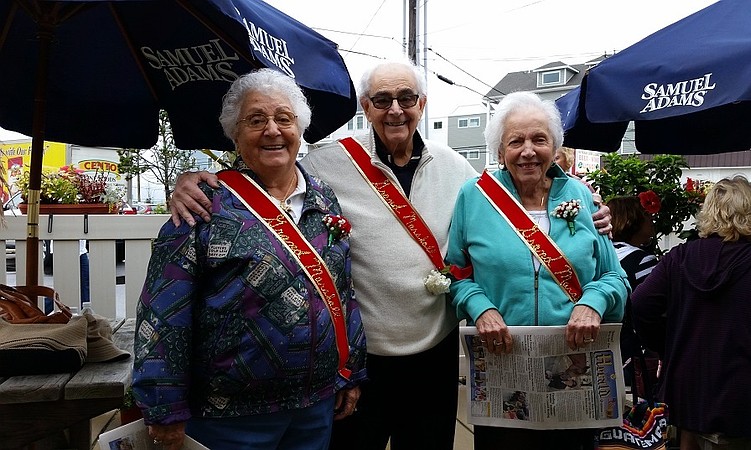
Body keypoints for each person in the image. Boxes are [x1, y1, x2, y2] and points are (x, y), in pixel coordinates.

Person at [168, 58, 614, 450]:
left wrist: (591, 211)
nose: (395, 109)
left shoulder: (458, 170)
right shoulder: (326, 163)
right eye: (382, 99)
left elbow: (514, 204)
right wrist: (196, 179)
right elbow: (271, 164)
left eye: (406, 97)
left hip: (434, 354)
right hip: (365, 361)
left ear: (422, 104)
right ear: (366, 108)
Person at [131, 68, 367, 450]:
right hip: (229, 416)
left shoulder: (324, 200)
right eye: (256, 120)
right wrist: (164, 409)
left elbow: (344, 292)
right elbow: (163, 315)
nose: (272, 130)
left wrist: (351, 372)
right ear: (235, 134)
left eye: (284, 119)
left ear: (300, 129)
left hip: (315, 406)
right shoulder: (203, 205)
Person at [444, 90, 628, 450]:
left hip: (573, 368)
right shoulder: (474, 197)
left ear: (555, 148)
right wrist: (480, 307)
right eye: (516, 141)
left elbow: (615, 277)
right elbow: (455, 273)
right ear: (500, 152)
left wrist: (593, 301)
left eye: (539, 139)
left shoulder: (582, 195)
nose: (528, 151)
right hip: (504, 367)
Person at [631, 176, 751, 450]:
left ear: (708, 213)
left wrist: (668, 345)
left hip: (689, 394)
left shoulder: (679, 259)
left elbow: (640, 304)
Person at [606, 196, 658, 388]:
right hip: (631, 355)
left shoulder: (601, 254)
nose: (651, 220)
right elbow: (652, 308)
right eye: (646, 215)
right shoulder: (642, 261)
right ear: (632, 220)